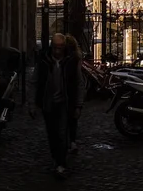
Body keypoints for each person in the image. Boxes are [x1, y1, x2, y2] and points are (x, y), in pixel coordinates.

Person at [32, 33, 84, 179]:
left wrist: (78, 105)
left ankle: (61, 164)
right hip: (48, 103)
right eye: (55, 47)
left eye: (60, 48)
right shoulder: (44, 60)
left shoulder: (71, 62)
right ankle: (56, 158)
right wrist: (33, 104)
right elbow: (35, 82)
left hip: (64, 103)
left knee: (61, 133)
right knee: (52, 134)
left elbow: (79, 83)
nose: (57, 51)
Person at [65, 34, 83, 154]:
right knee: (72, 120)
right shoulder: (75, 59)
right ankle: (71, 141)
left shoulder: (72, 60)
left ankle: (69, 141)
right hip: (71, 95)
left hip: (68, 95)